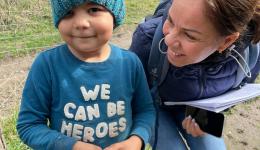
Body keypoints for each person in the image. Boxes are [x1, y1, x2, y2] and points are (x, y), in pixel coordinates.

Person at [16, 0, 156, 150]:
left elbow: (145, 111)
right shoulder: (47, 65)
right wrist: (70, 146)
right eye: (68, 13)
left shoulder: (130, 63)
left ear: (115, 16)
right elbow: (29, 125)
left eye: (94, 9)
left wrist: (136, 140)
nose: (81, 23)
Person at [130, 0, 260, 149]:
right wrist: (138, 133)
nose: (168, 39)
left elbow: (235, 94)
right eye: (170, 20)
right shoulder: (147, 39)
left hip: (199, 112)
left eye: (190, 35)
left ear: (227, 41)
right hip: (154, 105)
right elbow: (132, 94)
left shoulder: (249, 55)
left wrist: (210, 119)